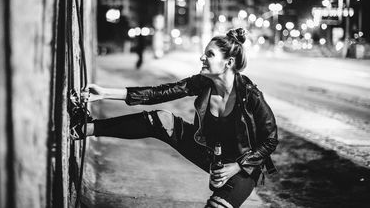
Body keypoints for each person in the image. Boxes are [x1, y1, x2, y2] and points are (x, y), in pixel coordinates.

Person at [74, 28, 278, 208]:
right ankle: (87, 128)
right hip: (209, 153)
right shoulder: (203, 82)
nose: (202, 58)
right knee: (159, 120)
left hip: (242, 168)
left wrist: (236, 166)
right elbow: (160, 93)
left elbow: (270, 140)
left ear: (228, 62)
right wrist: (105, 93)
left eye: (210, 54)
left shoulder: (251, 96)